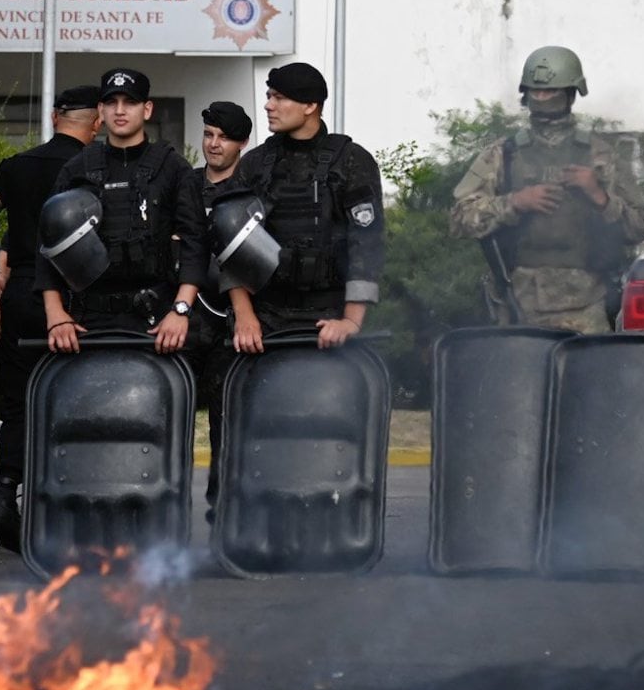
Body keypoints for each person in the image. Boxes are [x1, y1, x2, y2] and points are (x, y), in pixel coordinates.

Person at [448, 45, 644, 331]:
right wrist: (514, 203)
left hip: (587, 304)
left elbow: (639, 227)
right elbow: (459, 218)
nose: (541, 97)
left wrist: (598, 196)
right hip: (518, 302)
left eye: (550, 91)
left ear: (570, 93)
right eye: (536, 91)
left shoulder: (601, 156)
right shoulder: (502, 155)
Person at [0, 85, 102, 548]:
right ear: (97, 123)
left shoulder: (18, 166)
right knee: (76, 404)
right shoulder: (93, 169)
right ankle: (63, 503)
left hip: (22, 292)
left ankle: (4, 496)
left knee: (17, 404)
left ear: (54, 117)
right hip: (76, 294)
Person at [33, 67, 207, 354]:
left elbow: (195, 241)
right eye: (112, 103)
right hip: (89, 320)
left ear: (147, 109)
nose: (120, 111)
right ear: (100, 111)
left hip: (156, 320)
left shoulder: (172, 168)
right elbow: (46, 243)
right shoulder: (78, 168)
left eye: (130, 102)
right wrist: (55, 315)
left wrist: (180, 310)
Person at [221, 62, 385, 351]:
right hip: (265, 320)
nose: (268, 105)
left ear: (310, 105)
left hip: (330, 317)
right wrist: (245, 316)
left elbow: (367, 244)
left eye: (279, 98)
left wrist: (350, 322)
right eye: (269, 96)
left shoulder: (351, 161)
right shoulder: (256, 163)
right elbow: (230, 241)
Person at [188, 100, 253, 518]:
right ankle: (163, 503)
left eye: (223, 137)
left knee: (227, 421)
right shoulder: (185, 186)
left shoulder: (251, 189)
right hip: (186, 316)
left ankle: (223, 506)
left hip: (231, 319)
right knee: (168, 413)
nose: (213, 144)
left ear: (242, 144)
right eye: (209, 134)